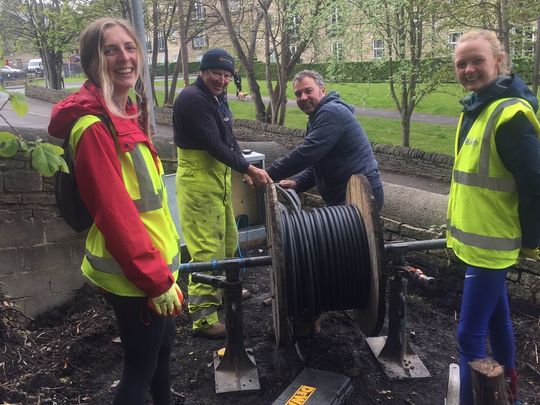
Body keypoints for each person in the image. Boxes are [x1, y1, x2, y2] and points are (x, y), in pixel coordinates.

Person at [48, 18, 182, 405]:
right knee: (138, 369)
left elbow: (149, 202)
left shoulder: (127, 112)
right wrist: (156, 280)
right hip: (135, 274)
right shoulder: (93, 127)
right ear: (92, 61)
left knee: (163, 350)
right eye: (110, 50)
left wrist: (167, 267)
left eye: (129, 47)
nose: (124, 57)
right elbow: (115, 213)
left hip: (154, 264)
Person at [447, 30, 540, 405]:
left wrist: (531, 239)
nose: (468, 69)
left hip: (491, 246)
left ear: (499, 62)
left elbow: (536, 181)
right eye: (461, 63)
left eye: (477, 61)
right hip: (479, 242)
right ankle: (511, 396)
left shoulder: (509, 115)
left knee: (468, 337)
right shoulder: (478, 107)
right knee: (499, 323)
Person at [172, 48, 272, 339]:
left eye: (227, 75)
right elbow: (214, 144)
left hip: (218, 179)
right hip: (198, 182)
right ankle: (203, 320)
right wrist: (251, 170)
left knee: (229, 239)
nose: (222, 79)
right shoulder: (192, 99)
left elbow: (229, 139)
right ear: (203, 72)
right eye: (216, 73)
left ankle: (226, 288)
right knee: (207, 249)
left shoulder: (216, 97)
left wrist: (242, 167)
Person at [266, 70, 383, 211]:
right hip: (343, 196)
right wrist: (298, 182)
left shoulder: (331, 113)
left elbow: (306, 154)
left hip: (361, 195)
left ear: (322, 90)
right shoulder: (317, 117)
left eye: (308, 91)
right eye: (298, 94)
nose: (303, 97)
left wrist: (267, 174)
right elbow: (318, 161)